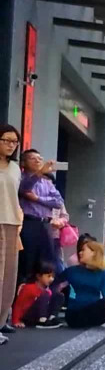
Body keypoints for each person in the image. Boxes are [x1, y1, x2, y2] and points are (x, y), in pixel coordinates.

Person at [17, 149, 63, 295]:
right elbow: (24, 189)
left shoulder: (47, 182)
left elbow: (58, 202)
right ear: (23, 163)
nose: (38, 161)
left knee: (47, 262)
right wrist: (39, 173)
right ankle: (22, 298)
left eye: (40, 158)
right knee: (27, 261)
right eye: (33, 158)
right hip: (29, 223)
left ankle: (44, 299)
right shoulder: (21, 178)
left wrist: (37, 199)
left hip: (45, 224)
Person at [0, 124, 23, 345]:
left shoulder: (15, 168)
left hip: (12, 224)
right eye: (6, 140)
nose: (10, 145)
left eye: (14, 141)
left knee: (8, 277)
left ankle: (1, 322)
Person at [12, 261, 64, 328]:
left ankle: (52, 317)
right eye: (48, 276)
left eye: (53, 276)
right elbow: (18, 305)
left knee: (59, 296)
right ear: (39, 276)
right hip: (27, 316)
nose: (51, 279)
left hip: (40, 313)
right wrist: (16, 320)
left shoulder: (48, 290)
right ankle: (42, 320)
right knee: (45, 295)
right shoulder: (29, 288)